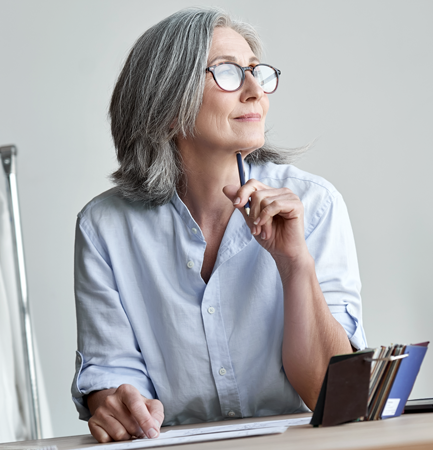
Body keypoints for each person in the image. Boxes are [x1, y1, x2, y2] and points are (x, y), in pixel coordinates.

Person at [71, 7, 366, 443]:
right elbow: (112, 378)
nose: (254, 91)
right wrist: (115, 404)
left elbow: (332, 394)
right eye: (228, 73)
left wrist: (294, 262)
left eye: (256, 72)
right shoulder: (105, 228)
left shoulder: (315, 205)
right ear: (168, 105)